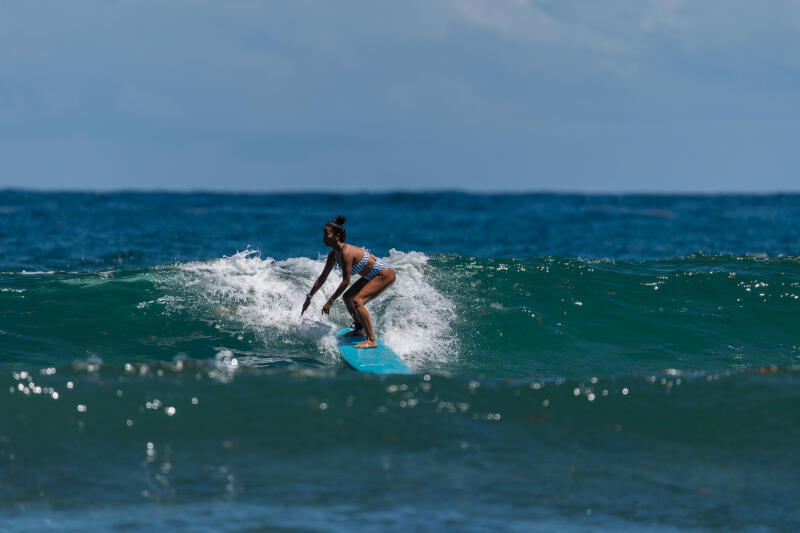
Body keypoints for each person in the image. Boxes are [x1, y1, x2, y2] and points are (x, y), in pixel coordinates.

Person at [301, 216, 395, 349]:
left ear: (337, 236)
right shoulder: (333, 255)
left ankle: (371, 339)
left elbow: (346, 281)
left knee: (358, 301)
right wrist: (309, 297)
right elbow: (322, 277)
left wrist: (330, 301)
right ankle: (360, 328)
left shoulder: (346, 252)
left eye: (326, 234)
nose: (323, 237)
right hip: (371, 276)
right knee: (347, 297)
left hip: (384, 273)